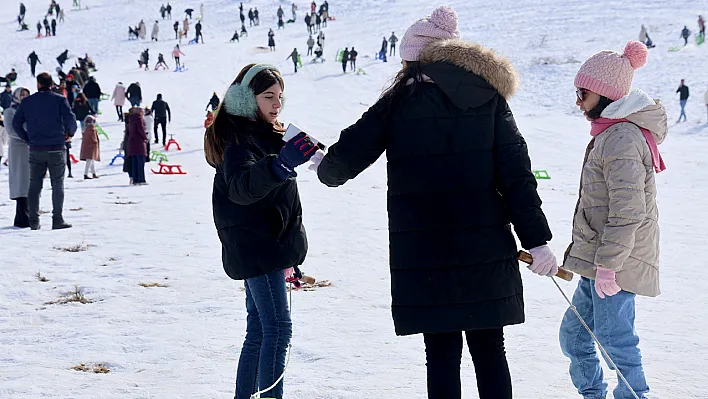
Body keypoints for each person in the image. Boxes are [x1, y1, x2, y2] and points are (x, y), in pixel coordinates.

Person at [315, 6, 558, 399]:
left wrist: (317, 161)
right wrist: (537, 241)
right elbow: (517, 177)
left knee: (441, 354)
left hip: (424, 253)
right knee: (490, 351)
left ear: (414, 59)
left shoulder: (396, 103)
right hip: (485, 248)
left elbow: (336, 169)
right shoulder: (488, 97)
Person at [204, 63, 316, 399]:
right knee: (278, 329)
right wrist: (280, 165)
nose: (277, 104)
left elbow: (273, 203)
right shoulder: (240, 141)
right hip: (258, 248)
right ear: (245, 98)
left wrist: (288, 261)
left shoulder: (262, 135)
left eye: (279, 96)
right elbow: (242, 188)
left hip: (266, 248)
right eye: (268, 96)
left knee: (259, 330)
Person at [562, 40, 665, 399]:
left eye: (583, 92)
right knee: (575, 337)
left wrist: (609, 265)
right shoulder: (610, 132)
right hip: (600, 260)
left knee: (614, 340)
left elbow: (629, 210)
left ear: (605, 95)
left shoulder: (621, 137)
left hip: (614, 263)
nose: (578, 100)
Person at [13, 73, 77, 230]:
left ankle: (33, 221)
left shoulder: (27, 102)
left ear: (38, 84)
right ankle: (57, 219)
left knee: (34, 185)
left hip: (36, 148)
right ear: (51, 84)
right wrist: (69, 134)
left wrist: (27, 138)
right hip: (56, 147)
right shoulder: (60, 100)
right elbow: (71, 120)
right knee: (57, 184)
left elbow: (16, 123)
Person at [5, 87, 31, 227]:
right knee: (21, 182)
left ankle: (23, 217)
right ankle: (23, 217)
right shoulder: (10, 111)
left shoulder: (30, 111)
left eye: (27, 94)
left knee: (29, 182)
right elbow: (11, 130)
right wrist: (28, 137)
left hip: (31, 149)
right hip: (18, 150)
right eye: (22, 94)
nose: (24, 96)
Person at [126, 107, 148, 185]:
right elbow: (141, 130)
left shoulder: (130, 120)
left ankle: (135, 179)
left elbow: (127, 132)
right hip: (139, 143)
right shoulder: (139, 119)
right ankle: (141, 179)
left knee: (135, 162)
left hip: (131, 143)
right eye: (142, 112)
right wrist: (145, 138)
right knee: (140, 162)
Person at [79, 115, 100, 179]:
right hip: (91, 146)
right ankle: (85, 174)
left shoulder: (85, 127)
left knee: (91, 160)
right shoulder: (91, 127)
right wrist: (96, 141)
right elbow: (93, 137)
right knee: (90, 160)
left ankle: (93, 173)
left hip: (86, 145)